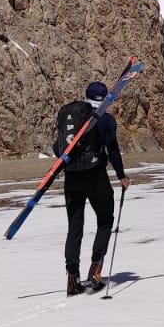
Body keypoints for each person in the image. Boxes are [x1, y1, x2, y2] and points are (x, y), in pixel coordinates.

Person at [60, 79, 130, 295]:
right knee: (105, 219)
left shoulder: (70, 116)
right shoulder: (105, 120)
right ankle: (95, 271)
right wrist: (121, 176)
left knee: (75, 226)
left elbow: (58, 146)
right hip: (95, 176)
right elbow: (113, 150)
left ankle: (72, 279)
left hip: (71, 176)